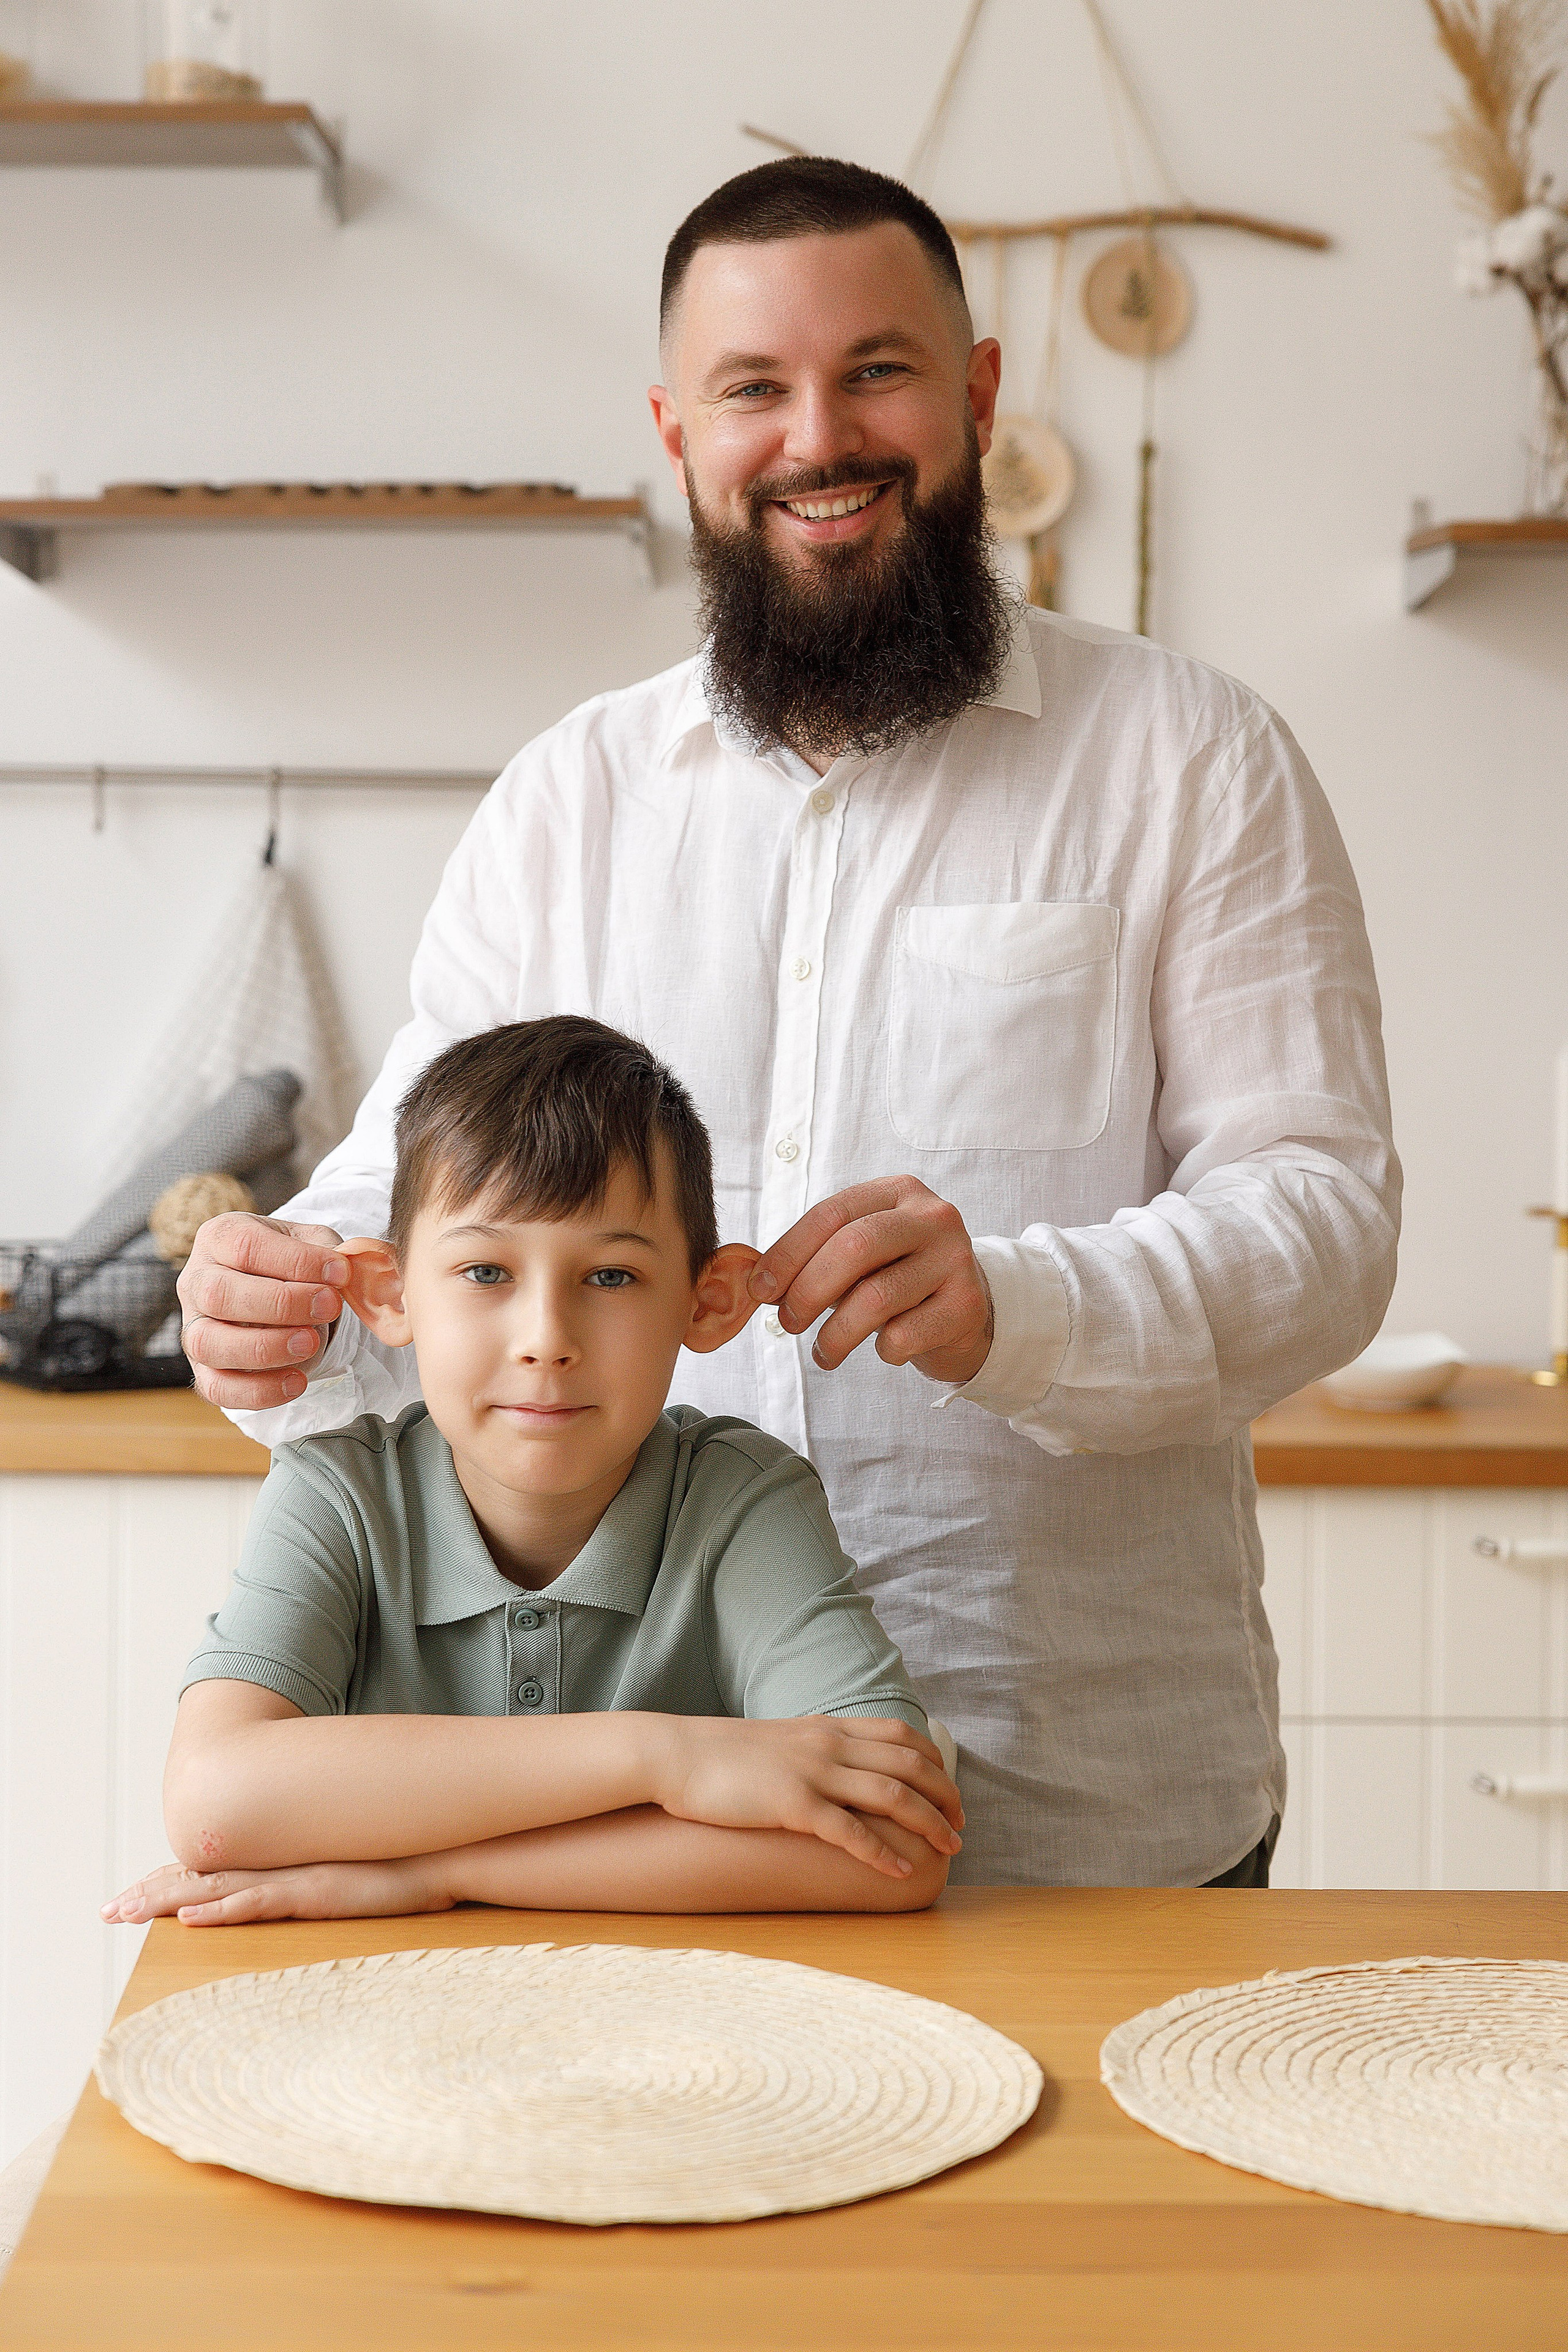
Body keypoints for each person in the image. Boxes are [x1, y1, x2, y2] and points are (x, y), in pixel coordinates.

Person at [176, 157, 1399, 1890]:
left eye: (878, 372)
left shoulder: (1193, 761)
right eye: (756, 389)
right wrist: (277, 1309)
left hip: (1097, 1813)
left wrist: (1023, 1306)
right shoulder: (566, 805)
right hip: (651, 1834)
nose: (819, 436)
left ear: (978, 395)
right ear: (679, 434)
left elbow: (1329, 1231)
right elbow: (410, 1227)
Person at [104, 1018, 962, 1929]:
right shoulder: (339, 1492)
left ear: (707, 1301)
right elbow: (211, 1805)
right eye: (485, 1270)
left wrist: (427, 1873)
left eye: (611, 1278)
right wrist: (667, 1760)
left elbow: (896, 1848)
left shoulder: (743, 1497)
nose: (547, 1339)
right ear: (389, 1294)